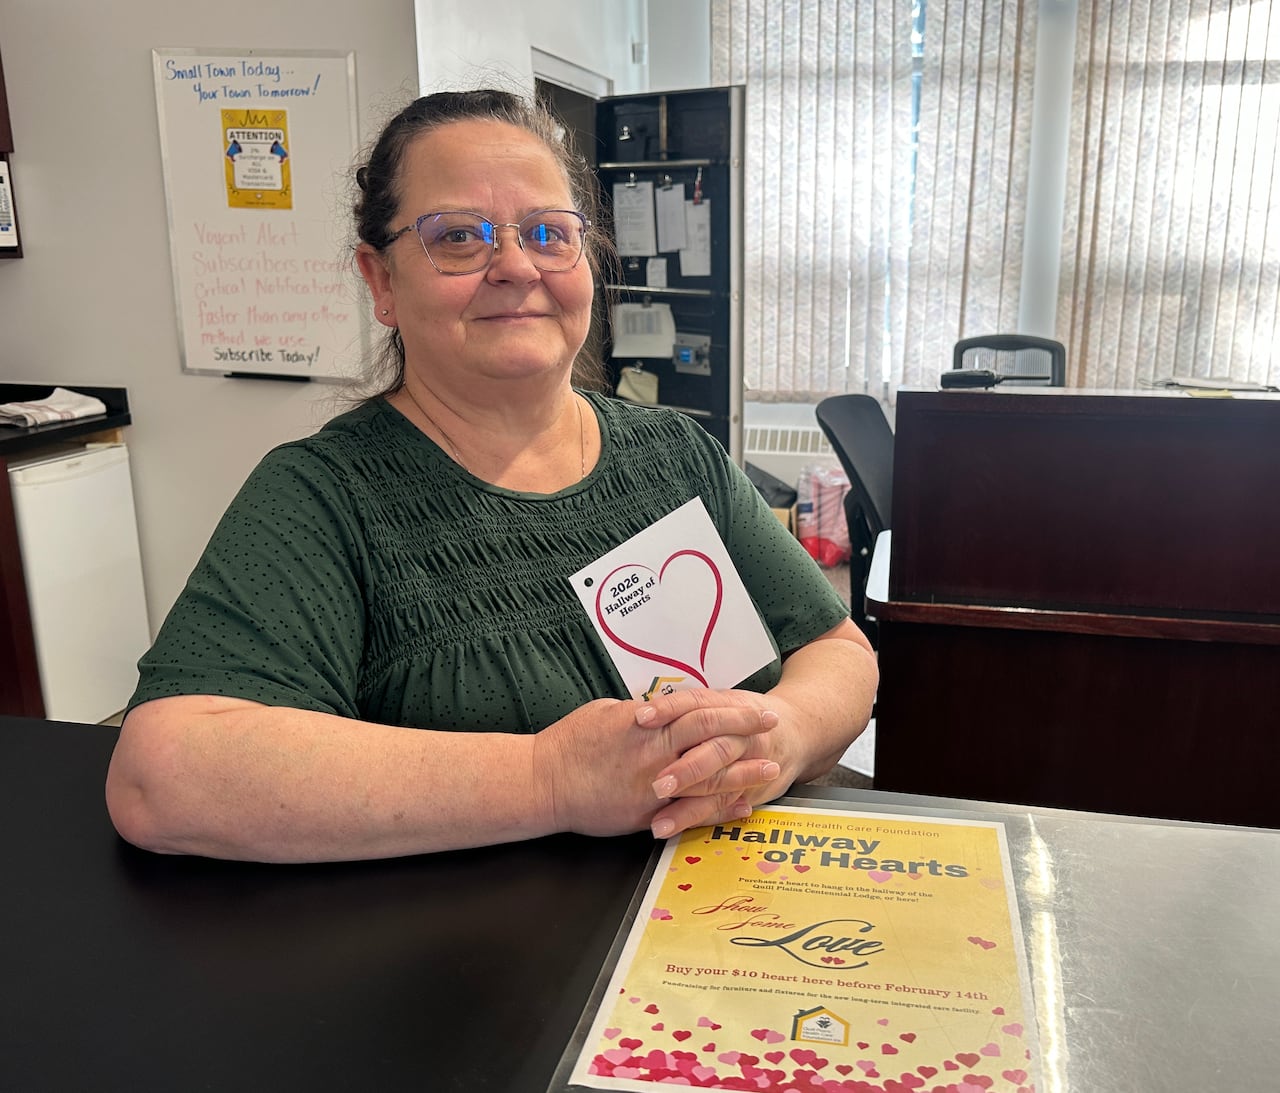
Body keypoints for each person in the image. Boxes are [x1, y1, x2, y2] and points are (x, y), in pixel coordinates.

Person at [105, 89, 878, 863]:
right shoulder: (326, 497)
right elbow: (164, 774)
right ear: (381, 282)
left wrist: (775, 744)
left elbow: (837, 646)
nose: (515, 266)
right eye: (459, 237)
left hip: (720, 932)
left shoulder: (677, 456)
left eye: (549, 232)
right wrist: (548, 778)